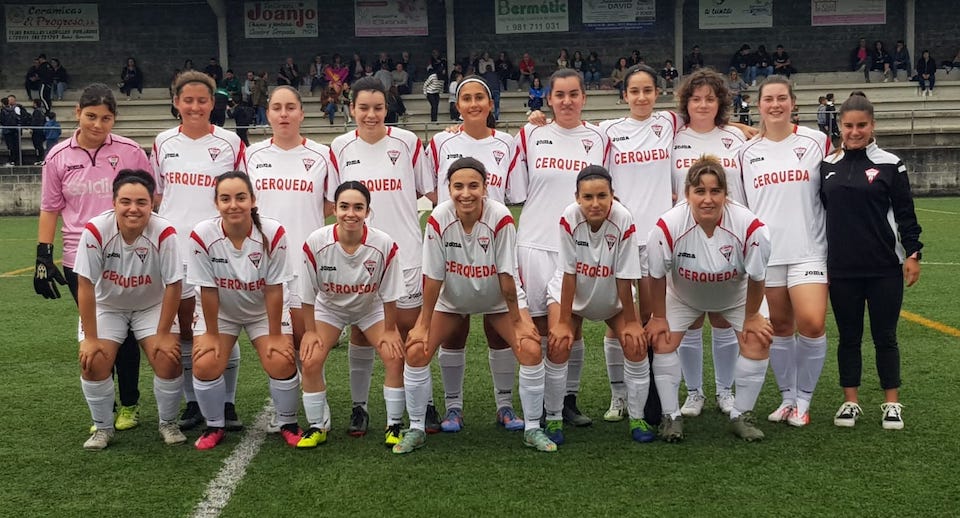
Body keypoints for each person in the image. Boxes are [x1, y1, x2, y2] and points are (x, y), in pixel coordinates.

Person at [397, 158, 552, 453]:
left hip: (497, 299)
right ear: (448, 189)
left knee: (530, 348)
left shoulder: (501, 217)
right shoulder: (438, 218)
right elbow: (432, 275)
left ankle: (528, 424)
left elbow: (507, 275)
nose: (465, 193)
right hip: (453, 299)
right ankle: (419, 426)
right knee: (416, 350)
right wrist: (423, 323)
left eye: (473, 186)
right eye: (458, 186)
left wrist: (519, 321)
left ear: (485, 188)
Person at [37, 83, 153, 432]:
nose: (98, 125)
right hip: (78, 259)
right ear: (77, 113)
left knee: (129, 334)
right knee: (99, 333)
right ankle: (107, 405)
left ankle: (130, 404)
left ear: (113, 118)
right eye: (91, 116)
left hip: (129, 255)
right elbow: (50, 208)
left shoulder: (131, 152)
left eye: (106, 118)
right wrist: (44, 255)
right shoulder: (58, 156)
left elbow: (150, 199)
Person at [328, 76, 434, 437]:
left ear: (387, 109)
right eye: (363, 108)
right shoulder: (340, 147)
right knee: (361, 330)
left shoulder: (407, 143)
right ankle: (359, 408)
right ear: (352, 109)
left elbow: (429, 192)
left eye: (377, 107)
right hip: (358, 257)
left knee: (411, 331)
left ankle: (424, 402)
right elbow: (333, 203)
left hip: (406, 252)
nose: (370, 115)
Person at [647, 157, 773, 441]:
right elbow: (656, 276)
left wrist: (752, 316)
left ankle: (742, 414)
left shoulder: (750, 227)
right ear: (687, 193)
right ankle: (671, 417)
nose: (707, 199)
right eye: (699, 191)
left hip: (736, 298)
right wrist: (658, 318)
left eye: (715, 191)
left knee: (758, 339)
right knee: (662, 340)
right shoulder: (667, 226)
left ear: (725, 194)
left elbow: (756, 276)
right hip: (682, 296)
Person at [425, 78, 526, 433]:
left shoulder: (507, 143)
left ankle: (504, 406)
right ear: (456, 105)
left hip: (491, 250)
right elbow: (430, 192)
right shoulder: (440, 142)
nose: (473, 104)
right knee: (455, 331)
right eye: (465, 98)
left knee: (499, 333)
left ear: (490, 102)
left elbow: (515, 194)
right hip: (453, 250)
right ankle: (454, 408)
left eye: (479, 97)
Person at [820, 94, 922, 431]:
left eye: (861, 125)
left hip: (884, 268)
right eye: (848, 125)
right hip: (842, 269)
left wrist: (913, 254)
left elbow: (906, 214)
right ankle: (851, 401)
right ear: (840, 126)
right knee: (848, 337)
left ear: (872, 125)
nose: (854, 131)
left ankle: (891, 404)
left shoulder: (892, 164)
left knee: (885, 336)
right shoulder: (827, 165)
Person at [153, 70, 247, 432]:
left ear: (213, 103)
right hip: (175, 249)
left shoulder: (230, 144)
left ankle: (227, 402)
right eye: (187, 100)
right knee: (187, 329)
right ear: (176, 102)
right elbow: (159, 197)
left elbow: (240, 195)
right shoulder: (163, 142)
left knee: (221, 325)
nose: (195, 106)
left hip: (218, 248)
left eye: (202, 100)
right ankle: (195, 403)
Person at [513, 69, 607, 428]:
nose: (567, 101)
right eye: (560, 95)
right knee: (537, 329)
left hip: (578, 247)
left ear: (584, 97)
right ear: (548, 99)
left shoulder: (600, 137)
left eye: (573, 94)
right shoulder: (531, 134)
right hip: (535, 243)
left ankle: (567, 400)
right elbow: (514, 189)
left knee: (571, 326)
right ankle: (536, 403)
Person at [739, 75, 831, 428]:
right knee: (779, 326)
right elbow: (744, 207)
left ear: (793, 102)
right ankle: (787, 398)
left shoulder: (816, 141)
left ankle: (805, 400)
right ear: (758, 105)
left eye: (781, 98)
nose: (775, 105)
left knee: (811, 322)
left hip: (810, 251)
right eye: (768, 99)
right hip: (768, 256)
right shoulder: (746, 152)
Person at [188, 171, 300, 450]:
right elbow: (208, 289)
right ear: (216, 203)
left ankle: (288, 422)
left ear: (253, 199)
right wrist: (211, 334)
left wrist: (275, 334)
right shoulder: (202, 235)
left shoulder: (273, 233)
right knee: (206, 361)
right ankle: (214, 425)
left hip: (263, 310)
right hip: (221, 311)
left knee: (280, 359)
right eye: (225, 199)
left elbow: (275, 288)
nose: (233, 205)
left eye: (240, 197)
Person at [75, 170, 185, 450]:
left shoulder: (165, 232)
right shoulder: (96, 230)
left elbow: (174, 285)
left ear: (152, 205)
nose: (133, 209)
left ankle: (168, 422)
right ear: (114, 203)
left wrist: (162, 334)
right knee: (94, 360)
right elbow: (85, 285)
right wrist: (90, 337)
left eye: (141, 202)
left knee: (168, 357)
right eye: (125, 201)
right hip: (108, 306)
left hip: (151, 305)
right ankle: (102, 428)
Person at [544, 165, 650, 445]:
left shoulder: (623, 218)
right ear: (577, 198)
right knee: (558, 344)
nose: (595, 203)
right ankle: (554, 416)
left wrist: (632, 322)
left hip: (612, 293)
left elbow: (626, 275)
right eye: (588, 197)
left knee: (635, 343)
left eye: (602, 196)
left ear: (613, 195)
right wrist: (565, 321)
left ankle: (636, 416)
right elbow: (568, 273)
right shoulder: (569, 217)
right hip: (572, 292)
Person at [296, 181, 405, 448]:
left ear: (367, 211)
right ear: (334, 209)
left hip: (370, 307)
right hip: (329, 308)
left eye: (358, 207)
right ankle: (316, 427)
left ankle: (394, 425)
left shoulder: (383, 243)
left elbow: (390, 294)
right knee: (310, 359)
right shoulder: (316, 242)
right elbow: (307, 294)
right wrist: (310, 332)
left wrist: (391, 330)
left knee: (394, 356)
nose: (351, 213)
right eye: (344, 207)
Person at [670, 69, 753, 419]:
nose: (702, 104)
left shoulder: (736, 139)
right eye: (696, 97)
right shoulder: (672, 137)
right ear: (686, 102)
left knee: (721, 317)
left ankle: (724, 390)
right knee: (689, 319)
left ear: (720, 102)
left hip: (727, 238)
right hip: (684, 237)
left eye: (710, 98)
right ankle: (694, 393)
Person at [30, 99, 46, 164]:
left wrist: (32, 128)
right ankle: (41, 158)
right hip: (41, 130)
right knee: (40, 145)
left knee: (37, 145)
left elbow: (35, 121)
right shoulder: (42, 111)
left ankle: (39, 159)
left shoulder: (36, 112)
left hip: (37, 131)